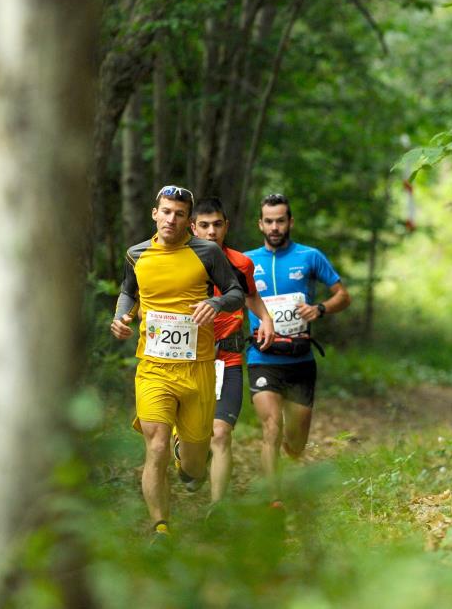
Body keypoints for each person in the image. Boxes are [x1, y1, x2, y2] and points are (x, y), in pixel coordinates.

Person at [110, 186, 245, 541]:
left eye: (179, 214)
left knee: (194, 464)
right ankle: (161, 528)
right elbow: (129, 292)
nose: (171, 219)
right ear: (155, 213)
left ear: (188, 221)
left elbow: (234, 292)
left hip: (197, 368)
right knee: (154, 444)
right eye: (166, 211)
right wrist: (122, 317)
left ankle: (185, 456)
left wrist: (215, 305)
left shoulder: (207, 252)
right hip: (153, 367)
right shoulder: (136, 254)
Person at [245, 193, 350, 506]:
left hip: (300, 359)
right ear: (260, 224)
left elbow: (343, 296)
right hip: (262, 358)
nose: (275, 227)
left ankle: (292, 462)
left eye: (280, 220)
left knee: (296, 442)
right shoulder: (247, 262)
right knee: (271, 427)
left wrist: (320, 309)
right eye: (269, 221)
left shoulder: (310, 256)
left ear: (290, 222)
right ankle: (273, 499)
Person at [190, 197, 275, 505]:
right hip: (185, 361)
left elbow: (251, 296)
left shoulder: (240, 263)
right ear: (193, 227)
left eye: (217, 225)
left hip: (227, 359)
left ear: (226, 226)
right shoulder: (176, 262)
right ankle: (191, 468)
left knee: (221, 434)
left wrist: (265, 318)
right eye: (204, 226)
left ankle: (217, 509)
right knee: (193, 447)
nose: (211, 232)